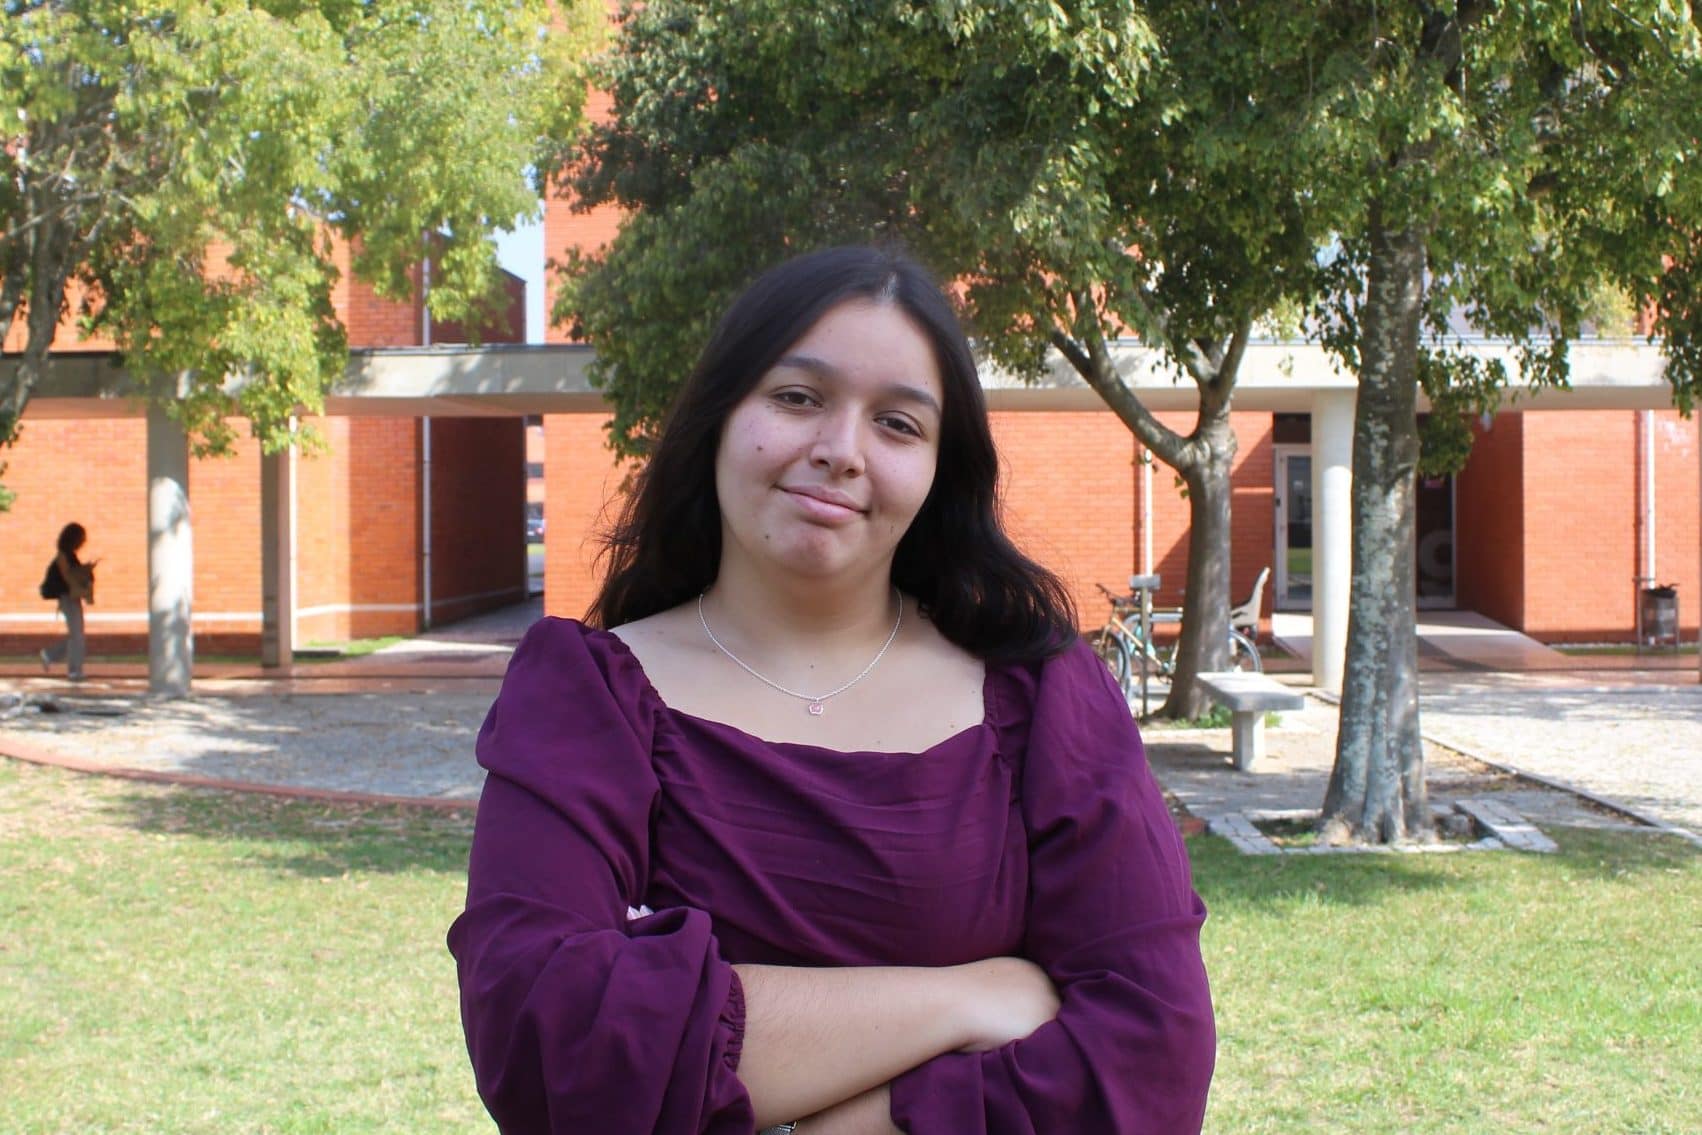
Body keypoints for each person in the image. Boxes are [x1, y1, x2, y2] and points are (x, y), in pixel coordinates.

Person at [448, 246, 1215, 1134]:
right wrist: (967, 998)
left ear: (942, 469)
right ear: (719, 417)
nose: (841, 451)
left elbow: (1153, 1061)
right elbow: (545, 1041)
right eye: (798, 397)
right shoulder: (587, 696)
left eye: (897, 423)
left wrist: (853, 1117)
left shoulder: (1045, 698)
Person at [40, 522, 94, 681]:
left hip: (73, 597)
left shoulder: (71, 556)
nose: (83, 541)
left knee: (76, 635)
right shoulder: (62, 556)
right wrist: (83, 575)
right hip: (67, 597)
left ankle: (50, 655)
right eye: (81, 538)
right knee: (77, 635)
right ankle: (74, 670)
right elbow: (68, 577)